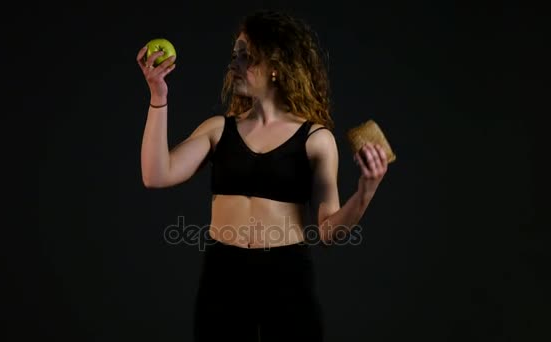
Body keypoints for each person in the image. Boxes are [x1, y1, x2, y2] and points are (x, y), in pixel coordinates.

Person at [136, 9, 389, 342]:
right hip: (223, 273)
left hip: (286, 276)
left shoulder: (316, 139)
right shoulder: (218, 130)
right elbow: (156, 174)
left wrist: (366, 191)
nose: (235, 63)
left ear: (275, 67)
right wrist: (158, 98)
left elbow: (328, 231)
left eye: (247, 56)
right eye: (235, 54)